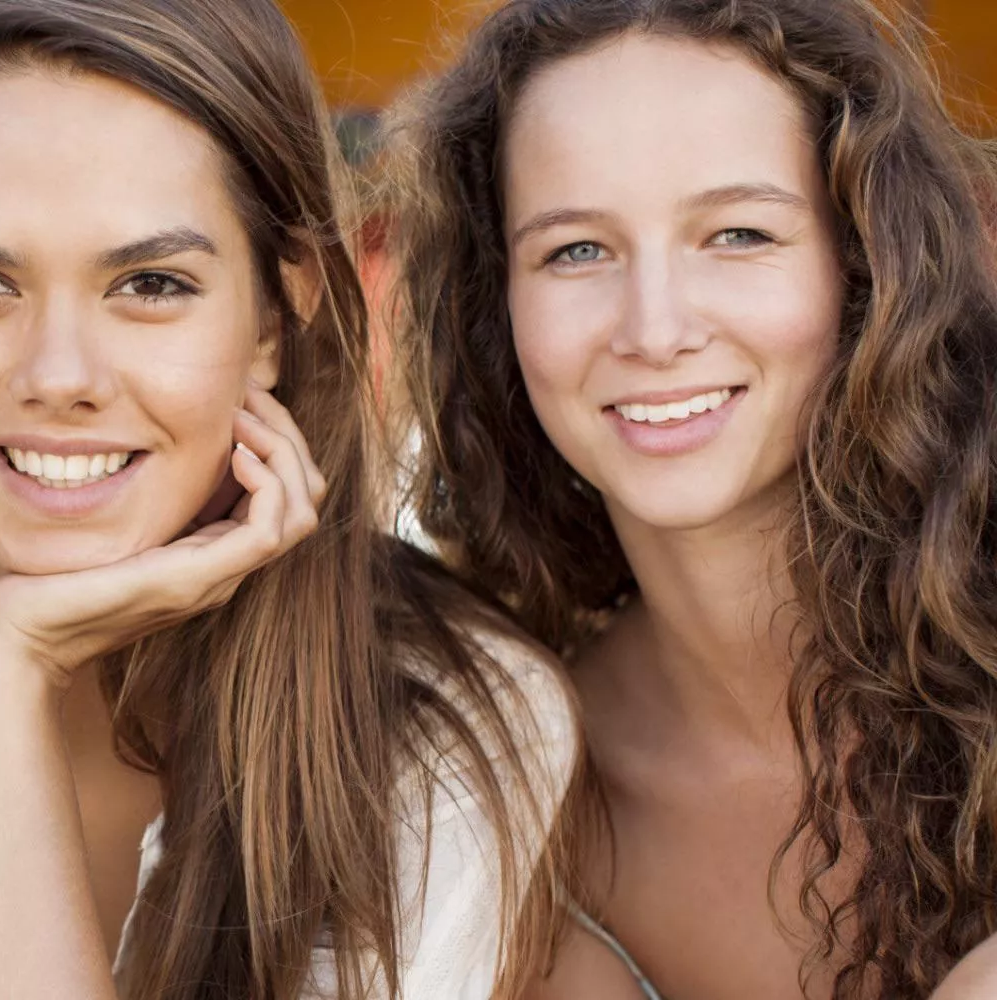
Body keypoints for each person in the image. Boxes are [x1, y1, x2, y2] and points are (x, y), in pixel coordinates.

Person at [0, 0, 576, 996]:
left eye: (151, 283)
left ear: (274, 314)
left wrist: (9, 661)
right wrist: (9, 674)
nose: (59, 374)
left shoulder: (461, 718)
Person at [390, 0, 997, 996]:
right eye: (574, 250)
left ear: (863, 267)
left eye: (736, 232)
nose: (653, 328)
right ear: (493, 304)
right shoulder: (514, 796)